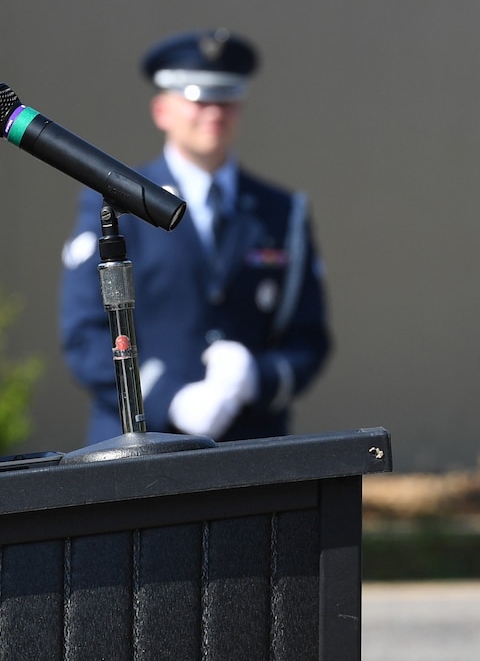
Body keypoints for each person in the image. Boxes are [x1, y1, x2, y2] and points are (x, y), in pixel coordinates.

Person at [58, 30, 330, 445]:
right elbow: (85, 336)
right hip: (143, 445)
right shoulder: (114, 203)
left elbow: (308, 338)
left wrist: (256, 377)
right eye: (198, 99)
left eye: (226, 99)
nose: (214, 112)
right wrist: (172, 397)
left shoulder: (283, 212)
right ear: (161, 110)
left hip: (251, 448)